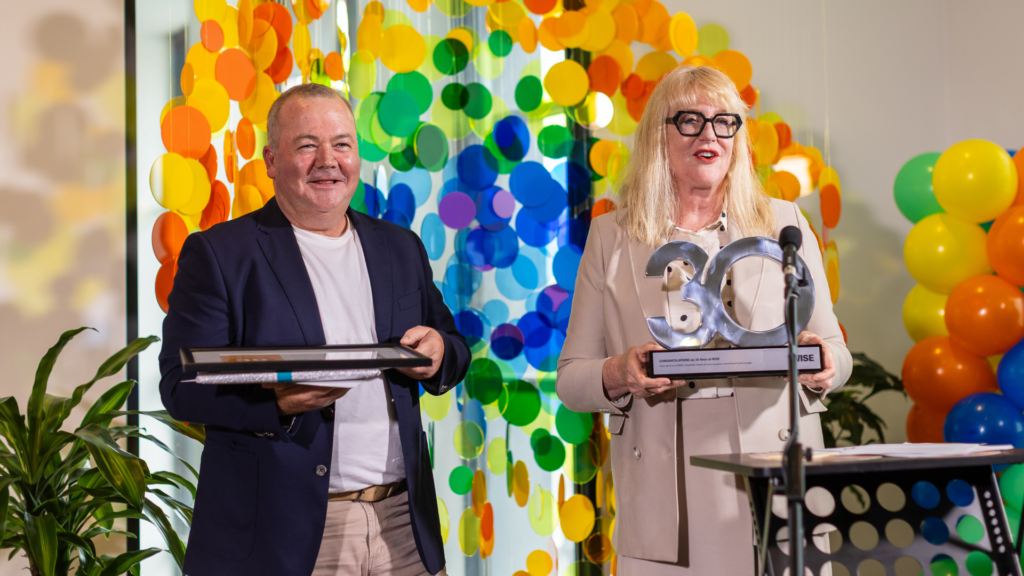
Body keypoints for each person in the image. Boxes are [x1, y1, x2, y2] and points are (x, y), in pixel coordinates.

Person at [159, 83, 469, 576]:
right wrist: (274, 404)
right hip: (290, 534)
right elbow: (181, 386)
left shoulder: (399, 246)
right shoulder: (220, 254)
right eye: (307, 145)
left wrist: (439, 352)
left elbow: (451, 346)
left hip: (403, 523)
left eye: (341, 144)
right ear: (270, 159)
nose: (328, 160)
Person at [556, 66, 852, 574]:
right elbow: (571, 379)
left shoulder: (784, 222)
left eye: (724, 121)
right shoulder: (610, 235)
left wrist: (825, 363)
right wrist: (620, 372)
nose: (709, 134)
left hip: (775, 474)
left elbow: (834, 352)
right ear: (657, 135)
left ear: (738, 136)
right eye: (689, 120)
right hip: (663, 488)